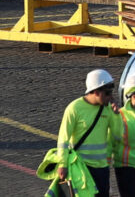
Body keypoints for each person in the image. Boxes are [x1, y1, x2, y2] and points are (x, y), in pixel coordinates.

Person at [56, 69, 122, 197]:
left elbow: (118, 136)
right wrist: (62, 164)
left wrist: (116, 116)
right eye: (107, 93)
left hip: (101, 168)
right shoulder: (74, 108)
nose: (111, 97)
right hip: (81, 167)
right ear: (96, 92)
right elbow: (63, 139)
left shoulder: (108, 109)